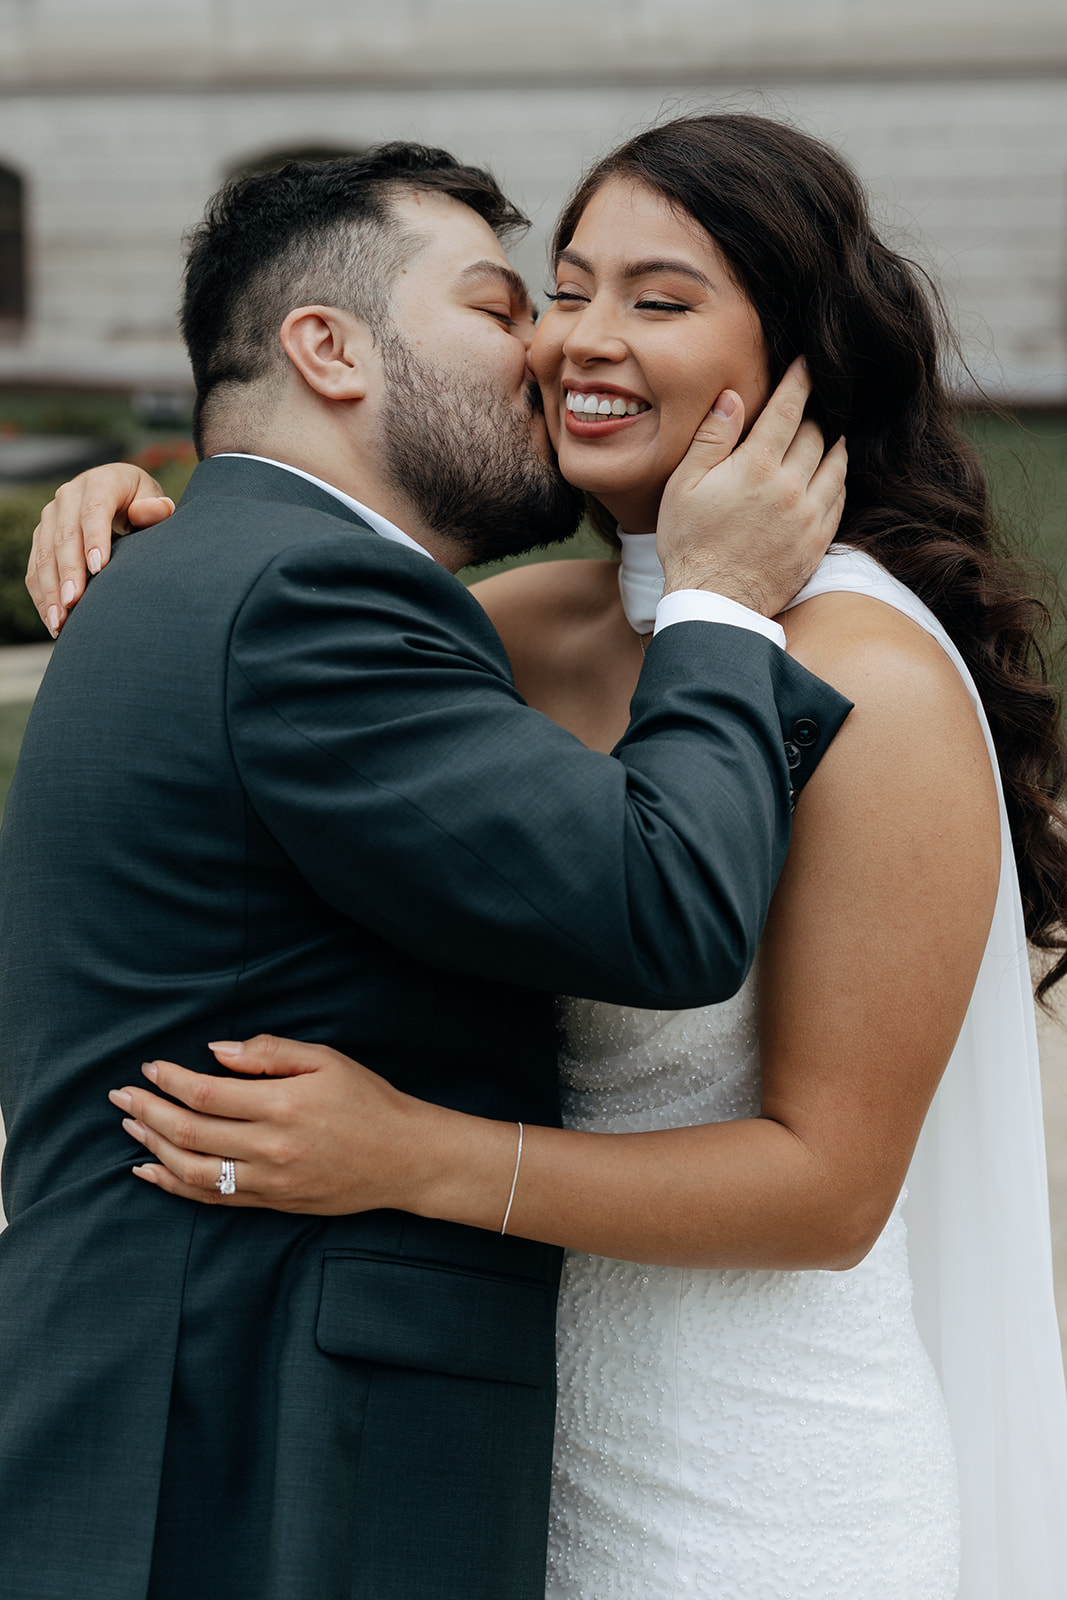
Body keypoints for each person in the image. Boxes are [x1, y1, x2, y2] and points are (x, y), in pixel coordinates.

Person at [41, 115, 1067, 1598]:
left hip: (755, 1483)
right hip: (492, 1465)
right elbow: (303, 632)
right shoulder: (515, 631)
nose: (578, 339)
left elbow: (830, 1193)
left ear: (797, 359)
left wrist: (414, 1156)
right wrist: (171, 525)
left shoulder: (870, 676)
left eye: (659, 300)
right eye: (560, 289)